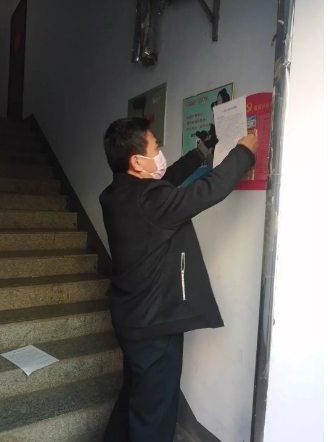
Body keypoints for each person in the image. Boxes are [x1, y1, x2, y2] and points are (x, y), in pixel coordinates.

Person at [99, 117, 258, 442]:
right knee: (154, 417)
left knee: (135, 395)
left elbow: (167, 179)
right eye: (154, 147)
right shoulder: (151, 201)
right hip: (154, 325)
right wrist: (244, 151)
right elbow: (209, 189)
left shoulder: (117, 193)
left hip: (131, 319)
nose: (160, 153)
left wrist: (200, 153)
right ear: (136, 162)